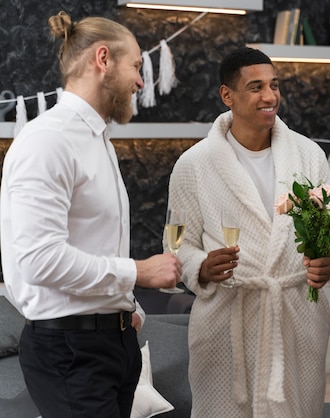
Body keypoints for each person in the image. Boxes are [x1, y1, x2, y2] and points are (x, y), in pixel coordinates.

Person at [0, 11, 182, 418]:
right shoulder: (48, 141)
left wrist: (124, 307)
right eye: (136, 66)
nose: (141, 80)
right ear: (103, 59)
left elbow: (91, 244)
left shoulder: (98, 140)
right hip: (69, 353)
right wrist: (139, 272)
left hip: (111, 345)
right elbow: (39, 261)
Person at [164, 47, 330, 417]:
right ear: (228, 95)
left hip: (295, 317)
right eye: (255, 87)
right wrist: (201, 267)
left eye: (274, 85)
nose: (270, 96)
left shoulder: (308, 155)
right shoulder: (194, 164)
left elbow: (326, 237)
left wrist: (327, 264)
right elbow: (176, 245)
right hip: (227, 320)